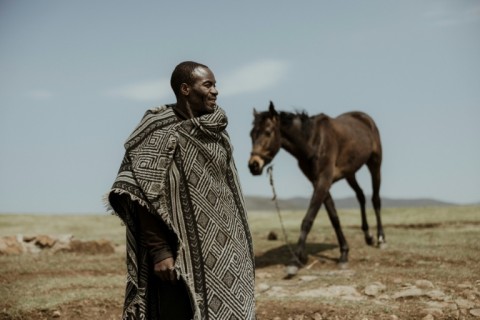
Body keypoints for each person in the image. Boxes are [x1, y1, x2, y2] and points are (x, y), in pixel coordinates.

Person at [106, 61, 256, 319]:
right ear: (185, 88)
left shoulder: (216, 129)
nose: (215, 91)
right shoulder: (158, 129)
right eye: (208, 84)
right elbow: (141, 194)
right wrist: (160, 251)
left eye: (215, 85)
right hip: (178, 257)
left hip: (227, 251)